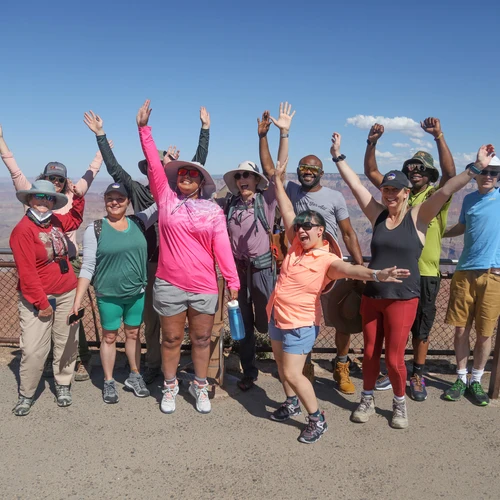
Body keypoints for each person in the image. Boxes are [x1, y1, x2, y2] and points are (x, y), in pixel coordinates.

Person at [331, 132, 491, 429]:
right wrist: (338, 156)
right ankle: (367, 399)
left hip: (403, 298)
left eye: (396, 190)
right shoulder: (377, 215)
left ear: (406, 193)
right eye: (386, 189)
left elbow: (445, 191)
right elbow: (355, 185)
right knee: (368, 354)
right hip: (373, 296)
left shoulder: (418, 217)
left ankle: (399, 402)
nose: (390, 194)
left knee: (393, 359)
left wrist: (475, 168)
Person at [269, 158, 409, 443]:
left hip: (300, 323)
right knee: (282, 368)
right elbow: (286, 209)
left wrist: (377, 274)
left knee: (294, 373)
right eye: (300, 226)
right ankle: (291, 402)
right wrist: (278, 181)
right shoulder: (295, 247)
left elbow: (351, 270)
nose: (303, 230)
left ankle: (317, 419)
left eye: (309, 226)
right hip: (277, 317)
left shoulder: (328, 259)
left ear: (322, 232)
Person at [83, 108, 211, 385]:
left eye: (168, 169)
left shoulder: (176, 196)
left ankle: (173, 366)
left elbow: (198, 164)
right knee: (151, 321)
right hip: (149, 266)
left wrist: (204, 131)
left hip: (178, 266)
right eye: (158, 168)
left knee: (180, 321)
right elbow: (114, 169)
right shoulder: (139, 192)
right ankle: (153, 365)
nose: (162, 173)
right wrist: (101, 136)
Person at [136, 100, 239, 415]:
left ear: (201, 182)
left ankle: (199, 384)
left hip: (204, 285)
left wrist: (232, 280)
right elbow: (155, 166)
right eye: (182, 173)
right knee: (171, 338)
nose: (185, 176)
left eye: (192, 174)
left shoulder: (211, 209)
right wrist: (144, 130)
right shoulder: (166, 200)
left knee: (202, 337)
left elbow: (222, 247)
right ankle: (170, 386)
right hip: (169, 283)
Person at [258, 103, 364, 395]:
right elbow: (271, 171)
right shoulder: (291, 190)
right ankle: (302, 369)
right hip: (300, 268)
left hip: (329, 265)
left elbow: (348, 231)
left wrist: (357, 267)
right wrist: (267, 136)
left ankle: (341, 365)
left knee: (342, 319)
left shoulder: (335, 196)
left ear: (321, 172)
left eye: (312, 169)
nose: (307, 172)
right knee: (300, 319)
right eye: (303, 168)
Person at [0, 123, 105, 382]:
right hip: (39, 266)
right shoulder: (34, 194)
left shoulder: (69, 196)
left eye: (59, 179)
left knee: (71, 318)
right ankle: (46, 360)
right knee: (40, 313)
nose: (55, 183)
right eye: (51, 178)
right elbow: (14, 171)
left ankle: (78, 359)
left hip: (69, 265)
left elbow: (90, 176)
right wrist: (2, 143)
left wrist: (101, 148)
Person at [364, 118, 456, 401]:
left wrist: (438, 136)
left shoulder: (433, 197)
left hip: (426, 272)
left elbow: (451, 178)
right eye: (410, 169)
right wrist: (372, 142)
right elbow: (371, 172)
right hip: (395, 274)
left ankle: (417, 374)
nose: (414, 173)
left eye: (422, 169)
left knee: (421, 328)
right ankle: (395, 370)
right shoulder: (398, 194)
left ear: (429, 175)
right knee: (395, 329)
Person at [70, 182, 150, 403]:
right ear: (104, 200)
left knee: (134, 334)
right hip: (109, 295)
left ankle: (135, 375)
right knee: (109, 337)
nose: (114, 202)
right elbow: (87, 267)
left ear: (128, 202)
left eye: (120, 198)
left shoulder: (139, 221)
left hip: (136, 293)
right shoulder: (95, 229)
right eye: (110, 198)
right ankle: (108, 380)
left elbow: (163, 202)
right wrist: (77, 300)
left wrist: (165, 167)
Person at [9, 180, 85, 415]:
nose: (44, 201)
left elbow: (74, 219)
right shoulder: (23, 231)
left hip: (67, 292)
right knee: (33, 349)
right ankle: (27, 393)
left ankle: (63, 384)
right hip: (38, 299)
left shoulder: (55, 222)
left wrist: (78, 198)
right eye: (39, 197)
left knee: (66, 342)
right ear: (30, 199)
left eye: (49, 198)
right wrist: (42, 304)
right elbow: (27, 272)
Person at [443, 151, 500, 406]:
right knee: (460, 330)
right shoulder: (468, 199)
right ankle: (461, 377)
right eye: (484, 172)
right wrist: (436, 234)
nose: (488, 176)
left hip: (493, 274)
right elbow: (462, 226)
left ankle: (476, 379)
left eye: (493, 173)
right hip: (465, 271)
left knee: (485, 333)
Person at [222, 157, 276, 392]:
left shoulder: (267, 201)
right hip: (238, 271)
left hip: (262, 270)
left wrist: (266, 136)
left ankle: (286, 368)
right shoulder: (230, 204)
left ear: (256, 179)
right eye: (238, 176)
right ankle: (249, 372)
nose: (242, 179)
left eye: (246, 175)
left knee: (268, 323)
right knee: (243, 324)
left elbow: (275, 172)